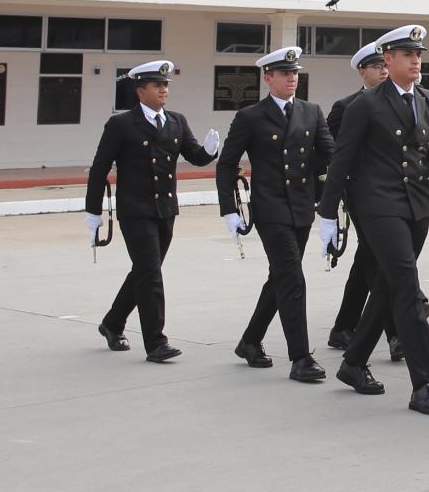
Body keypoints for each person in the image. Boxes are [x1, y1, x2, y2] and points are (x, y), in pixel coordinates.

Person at [314, 26, 429, 413]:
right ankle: (423, 383)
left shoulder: (428, 99)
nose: (416, 61)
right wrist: (328, 214)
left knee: (386, 286)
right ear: (388, 60)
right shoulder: (366, 104)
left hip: (415, 204)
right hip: (378, 205)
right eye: (406, 55)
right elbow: (341, 159)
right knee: (407, 287)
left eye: (419, 55)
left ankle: (353, 363)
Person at [84, 60, 219, 362]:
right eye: (157, 85)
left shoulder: (176, 121)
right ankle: (156, 343)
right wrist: (93, 211)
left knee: (146, 272)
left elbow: (194, 156)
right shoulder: (121, 124)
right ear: (140, 89)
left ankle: (112, 323)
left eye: (166, 85)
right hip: (135, 210)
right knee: (151, 273)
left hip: (165, 209)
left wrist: (210, 151)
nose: (163, 89)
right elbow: (100, 168)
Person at [217, 47, 334, 382]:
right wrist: (229, 208)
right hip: (270, 208)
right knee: (293, 278)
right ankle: (300, 357)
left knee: (281, 277)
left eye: (295, 73)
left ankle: (250, 341)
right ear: (268, 77)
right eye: (285, 73)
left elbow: (330, 154)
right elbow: (227, 164)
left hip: (301, 207)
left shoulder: (311, 112)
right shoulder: (251, 116)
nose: (292, 78)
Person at [327, 43, 392, 354]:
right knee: (382, 260)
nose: (383, 71)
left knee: (369, 259)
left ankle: (343, 327)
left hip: (392, 196)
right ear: (362, 71)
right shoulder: (347, 106)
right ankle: (397, 333)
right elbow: (333, 153)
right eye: (376, 66)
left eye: (385, 65)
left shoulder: (399, 102)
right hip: (362, 195)